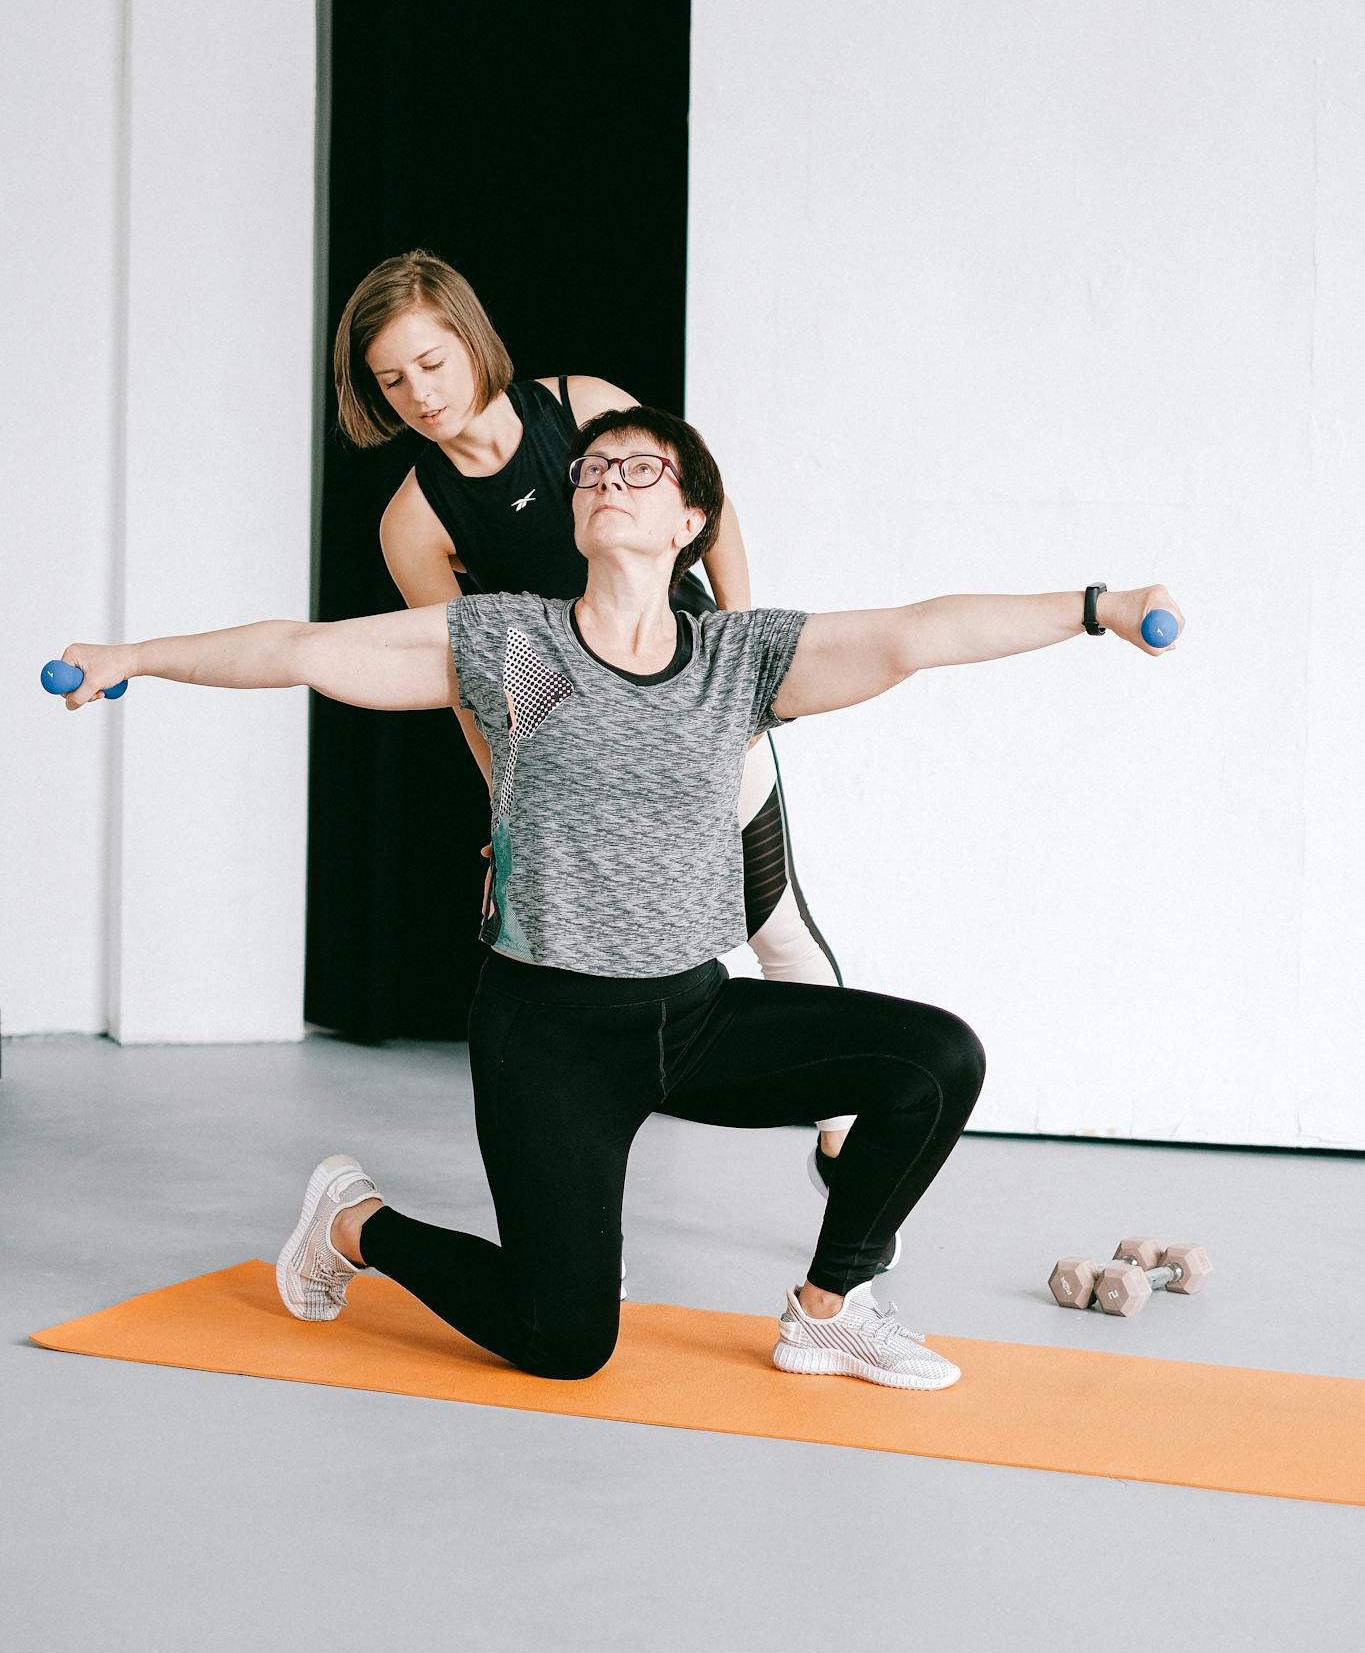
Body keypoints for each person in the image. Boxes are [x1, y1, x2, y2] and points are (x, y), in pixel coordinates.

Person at [57, 406, 1182, 1391]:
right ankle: (355, 1218)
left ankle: (833, 1311)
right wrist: (138, 655)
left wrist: (1096, 605)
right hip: (546, 1035)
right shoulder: (524, 653)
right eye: (593, 471)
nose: (605, 479)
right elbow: (306, 651)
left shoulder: (739, 660)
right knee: (564, 1338)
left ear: (691, 516)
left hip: (692, 1018)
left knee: (937, 1059)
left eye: (638, 469)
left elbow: (917, 633)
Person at [334, 250, 865, 1228]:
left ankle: (846, 1142)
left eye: (433, 361)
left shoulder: (584, 407)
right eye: (392, 378)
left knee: (769, 919)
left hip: (697, 697)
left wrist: (742, 658)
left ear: (470, 338)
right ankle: (580, 1206)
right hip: (586, 752)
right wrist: (518, 798)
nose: (421, 394)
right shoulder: (415, 519)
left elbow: (711, 511)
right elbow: (477, 675)